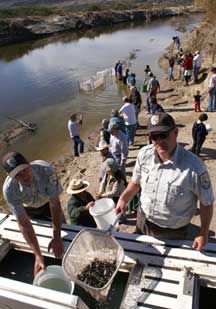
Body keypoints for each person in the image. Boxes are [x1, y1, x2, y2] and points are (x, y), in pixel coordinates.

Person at [116, 113, 214, 251]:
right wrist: (123, 199)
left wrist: (203, 233)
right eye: (154, 136)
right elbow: (136, 183)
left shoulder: (195, 167)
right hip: (143, 221)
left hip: (173, 232)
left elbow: (207, 203)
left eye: (163, 135)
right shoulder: (144, 154)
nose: (159, 141)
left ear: (175, 132)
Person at [2, 152, 64, 275]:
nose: (24, 176)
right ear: (10, 176)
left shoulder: (45, 171)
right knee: (38, 240)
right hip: (29, 209)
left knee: (62, 232)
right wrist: (37, 255)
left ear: (29, 164)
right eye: (18, 175)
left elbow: (55, 204)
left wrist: (57, 236)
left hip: (48, 203)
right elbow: (24, 223)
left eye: (25, 170)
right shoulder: (9, 190)